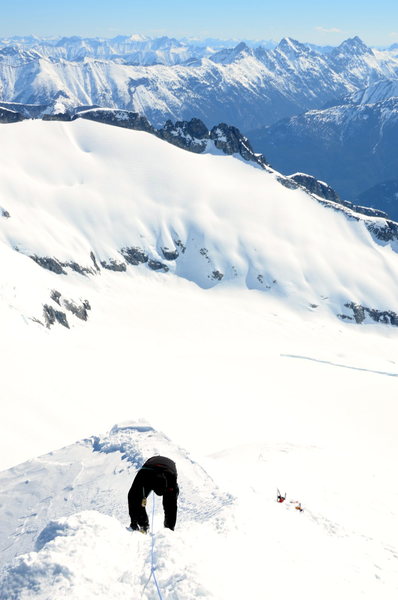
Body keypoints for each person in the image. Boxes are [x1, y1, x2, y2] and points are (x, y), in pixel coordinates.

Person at [128, 455, 179, 533]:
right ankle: (143, 525)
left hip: (168, 469)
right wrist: (134, 522)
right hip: (149, 469)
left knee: (170, 503)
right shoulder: (143, 476)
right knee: (135, 497)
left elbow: (172, 508)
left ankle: (168, 529)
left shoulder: (171, 480)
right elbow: (132, 497)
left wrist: (169, 530)